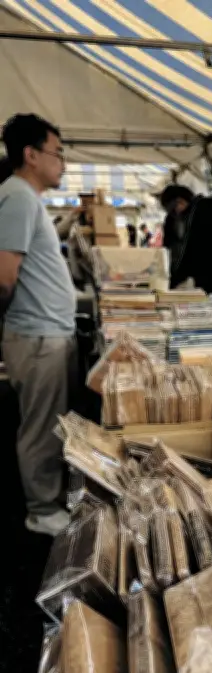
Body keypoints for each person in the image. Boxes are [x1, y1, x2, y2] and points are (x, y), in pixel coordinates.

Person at [0, 113, 76, 535]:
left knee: (49, 421)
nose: (62, 162)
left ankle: (48, 500)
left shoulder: (25, 198)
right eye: (57, 153)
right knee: (41, 426)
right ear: (31, 155)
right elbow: (4, 277)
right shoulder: (18, 197)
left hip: (46, 332)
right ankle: (41, 510)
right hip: (37, 334)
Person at [162, 184, 194, 269]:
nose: (178, 208)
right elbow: (167, 244)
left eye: (181, 202)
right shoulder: (170, 220)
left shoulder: (200, 215)